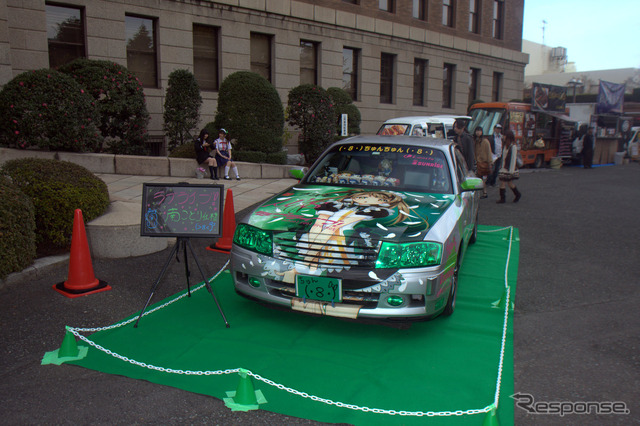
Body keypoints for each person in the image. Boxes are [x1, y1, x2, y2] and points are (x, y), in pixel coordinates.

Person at [496, 130, 522, 203]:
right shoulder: (505, 145)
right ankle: (517, 194)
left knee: (504, 182)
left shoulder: (513, 146)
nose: (503, 137)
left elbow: (513, 159)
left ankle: (503, 198)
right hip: (504, 167)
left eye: (504, 136)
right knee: (508, 183)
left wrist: (511, 170)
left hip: (508, 168)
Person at [473, 126, 492, 198]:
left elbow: (489, 152)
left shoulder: (485, 141)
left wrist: (490, 162)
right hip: (478, 162)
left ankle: (484, 192)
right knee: (480, 179)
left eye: (479, 131)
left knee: (482, 179)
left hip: (484, 163)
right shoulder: (475, 141)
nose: (478, 132)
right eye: (477, 131)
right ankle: (484, 192)